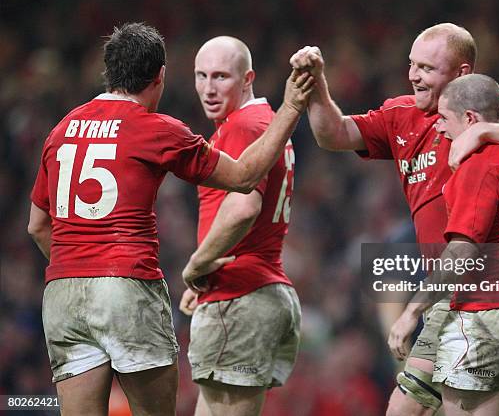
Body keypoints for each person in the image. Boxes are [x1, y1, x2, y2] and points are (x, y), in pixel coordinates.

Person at [27, 23, 313, 416]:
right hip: (126, 284)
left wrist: (79, 269)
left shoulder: (60, 130)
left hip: (61, 293)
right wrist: (293, 107)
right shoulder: (156, 128)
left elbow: (37, 226)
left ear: (107, 72)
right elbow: (245, 178)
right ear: (159, 77)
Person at [289, 22, 499, 416]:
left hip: (479, 302)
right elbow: (332, 134)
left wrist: (483, 131)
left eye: (426, 68)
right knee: (407, 408)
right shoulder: (400, 114)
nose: (412, 75)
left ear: (463, 74)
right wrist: (317, 84)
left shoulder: (489, 110)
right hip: (456, 299)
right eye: (411, 64)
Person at [394, 73, 499, 415]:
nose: (438, 128)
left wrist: (412, 310)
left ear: (470, 119)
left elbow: (463, 251)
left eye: (444, 119)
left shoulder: (481, 163)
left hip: (484, 318)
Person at [177, 36, 301, 416]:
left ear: (247, 78)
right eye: (201, 76)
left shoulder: (243, 126)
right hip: (256, 291)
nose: (208, 89)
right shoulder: (264, 123)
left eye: (220, 77)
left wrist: (198, 265)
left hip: (241, 298)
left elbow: (245, 207)